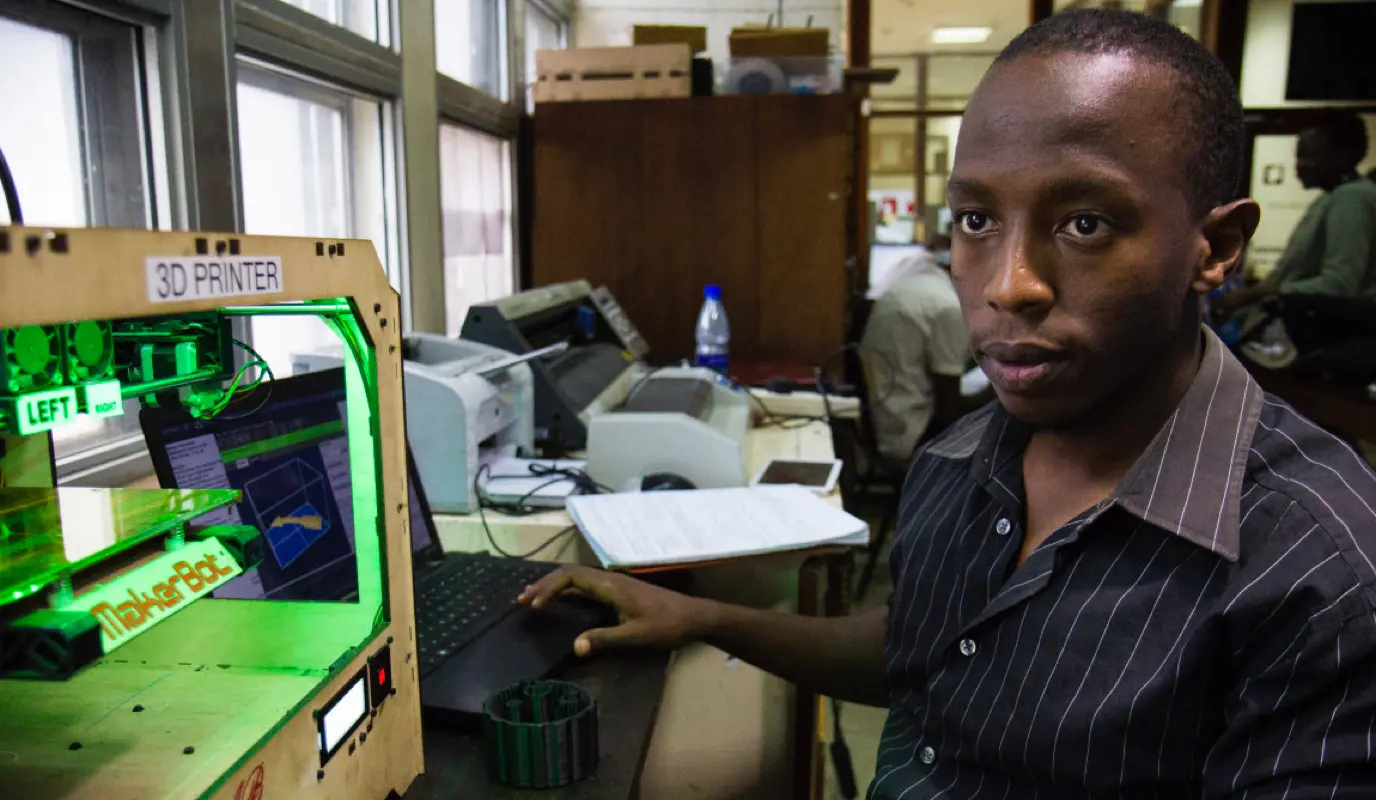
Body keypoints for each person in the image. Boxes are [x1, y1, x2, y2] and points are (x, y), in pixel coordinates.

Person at [520, 10, 1376, 797]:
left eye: (1085, 223)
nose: (1010, 286)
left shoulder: (1321, 577)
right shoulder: (962, 457)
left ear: (1215, 247)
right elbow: (918, 653)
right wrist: (700, 616)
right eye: (975, 220)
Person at [1216, 112, 1376, 315]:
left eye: (1308, 155)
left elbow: (1340, 283)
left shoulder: (1353, 197)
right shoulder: (1333, 197)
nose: (1299, 165)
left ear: (1341, 155)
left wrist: (1258, 294)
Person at [860, 232, 976, 463]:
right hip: (913, 433)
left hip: (886, 420)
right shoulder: (948, 307)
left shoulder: (915, 286)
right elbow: (948, 407)